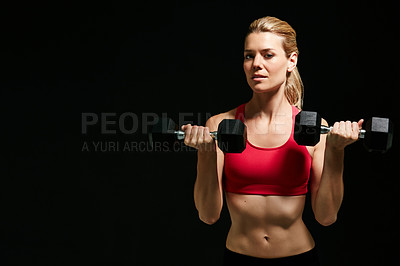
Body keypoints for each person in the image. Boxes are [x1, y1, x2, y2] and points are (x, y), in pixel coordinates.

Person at [181, 16, 363, 266]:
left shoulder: (315, 129)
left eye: (267, 55)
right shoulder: (220, 125)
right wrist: (205, 153)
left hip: (299, 258)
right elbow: (208, 215)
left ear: (291, 60)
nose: (256, 64)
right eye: (249, 55)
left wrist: (336, 151)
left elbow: (327, 216)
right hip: (239, 258)